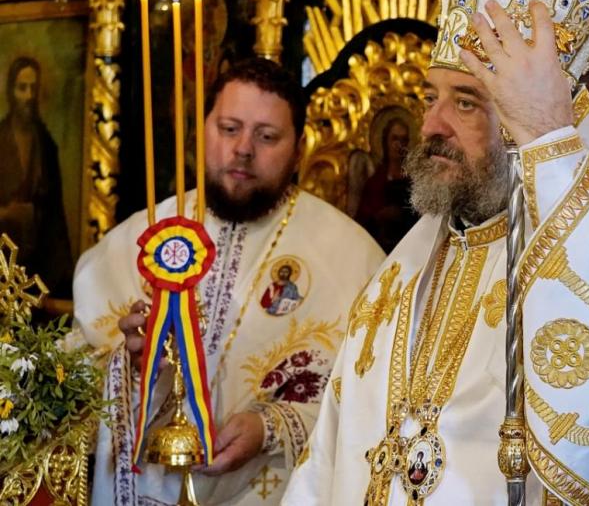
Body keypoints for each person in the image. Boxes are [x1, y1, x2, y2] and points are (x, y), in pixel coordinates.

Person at [283, 0, 589, 505]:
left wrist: (547, 137)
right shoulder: (397, 282)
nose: (430, 125)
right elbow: (325, 467)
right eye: (431, 97)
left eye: (465, 102)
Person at [73, 58, 384, 505]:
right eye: (229, 128)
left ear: (299, 149)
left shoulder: (352, 258)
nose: (243, 149)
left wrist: (270, 427)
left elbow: (369, 402)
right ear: (201, 132)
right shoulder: (139, 237)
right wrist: (132, 365)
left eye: (267, 136)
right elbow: (73, 384)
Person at [0, 56, 73, 296]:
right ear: (11, 91)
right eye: (22, 88)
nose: (29, 96)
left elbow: (55, 215)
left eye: (34, 88)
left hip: (36, 263)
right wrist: (8, 213)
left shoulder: (46, 145)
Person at [354, 115, 419, 252]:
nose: (399, 145)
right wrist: (379, 217)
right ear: (385, 141)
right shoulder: (375, 182)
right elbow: (361, 223)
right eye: (394, 138)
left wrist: (402, 215)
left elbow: (421, 221)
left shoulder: (415, 182)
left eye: (403, 139)